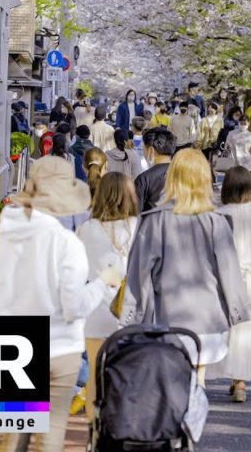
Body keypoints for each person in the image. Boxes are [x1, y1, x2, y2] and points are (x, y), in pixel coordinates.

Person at [0, 156, 122, 452]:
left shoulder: (3, 232)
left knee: (13, 432)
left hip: (11, 344)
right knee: (51, 433)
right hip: (60, 345)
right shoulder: (66, 243)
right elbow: (74, 306)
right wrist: (105, 284)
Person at [126, 149, 251, 378]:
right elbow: (230, 273)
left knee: (173, 384)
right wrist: (236, 312)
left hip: (167, 320)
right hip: (209, 321)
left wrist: (131, 319)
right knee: (197, 380)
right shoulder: (218, 222)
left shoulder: (155, 221)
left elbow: (139, 276)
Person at [206, 166, 251, 402]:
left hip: (227, 276)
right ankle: (241, 381)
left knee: (230, 328)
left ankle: (233, 376)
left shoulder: (219, 214)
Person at [76, 172, 139, 422]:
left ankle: (95, 432)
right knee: (128, 374)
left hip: (96, 310)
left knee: (94, 375)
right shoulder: (139, 227)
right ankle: (122, 428)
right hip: (130, 311)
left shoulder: (86, 228)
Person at [134, 128, 176, 213]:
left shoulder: (143, 179)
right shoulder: (184, 173)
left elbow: (136, 213)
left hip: (153, 224)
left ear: (151, 150)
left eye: (144, 149)